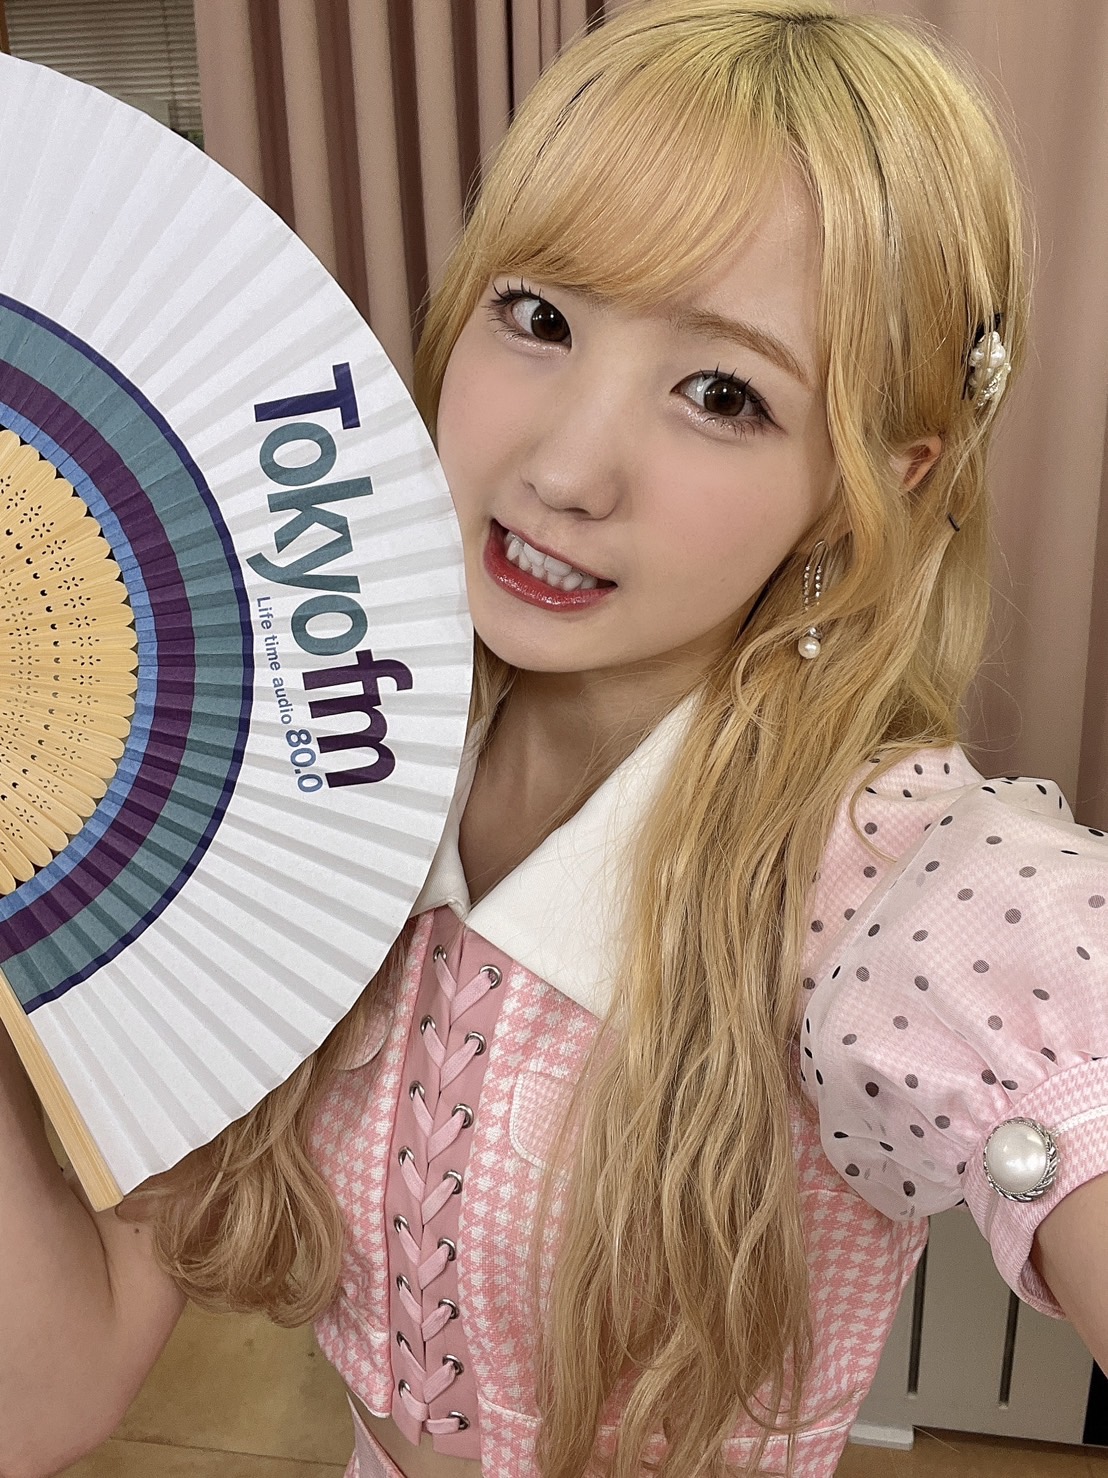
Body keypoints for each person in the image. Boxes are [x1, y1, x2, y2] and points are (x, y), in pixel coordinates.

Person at [2, 1, 1107, 1476]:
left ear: (875, 483)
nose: (566, 470)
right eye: (538, 318)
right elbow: (46, 1397)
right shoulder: (292, 768)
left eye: (723, 394)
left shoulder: (889, 879)